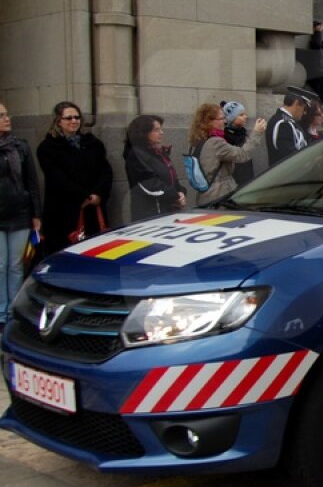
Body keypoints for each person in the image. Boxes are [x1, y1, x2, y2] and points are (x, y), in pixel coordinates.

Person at [36, 102, 112, 256]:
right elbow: (56, 178)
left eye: (77, 117)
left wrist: (98, 194)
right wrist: (84, 195)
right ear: (58, 121)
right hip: (63, 210)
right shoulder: (47, 147)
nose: (74, 121)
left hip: (93, 208)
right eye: (68, 118)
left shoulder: (93, 144)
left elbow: (105, 171)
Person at [0, 102, 41, 325]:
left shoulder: (20, 146)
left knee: (16, 264)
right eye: (1, 116)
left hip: (20, 213)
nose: (7, 119)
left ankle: (13, 309)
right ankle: (1, 311)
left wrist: (36, 214)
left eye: (7, 114)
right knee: (0, 264)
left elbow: (32, 183)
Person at [188, 103, 267, 205]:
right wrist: (256, 132)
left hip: (206, 194)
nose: (224, 121)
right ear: (210, 122)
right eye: (221, 119)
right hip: (220, 195)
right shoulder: (215, 142)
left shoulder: (199, 139)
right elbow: (242, 155)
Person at [124, 114, 185, 221]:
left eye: (161, 129)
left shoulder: (159, 153)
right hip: (151, 214)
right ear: (144, 133)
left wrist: (181, 193)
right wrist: (175, 195)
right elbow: (149, 184)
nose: (161, 133)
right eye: (156, 130)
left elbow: (172, 178)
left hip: (168, 210)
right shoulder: (136, 155)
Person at [266, 86, 314, 166]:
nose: (305, 112)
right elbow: (289, 157)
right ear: (296, 103)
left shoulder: (288, 121)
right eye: (304, 108)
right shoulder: (282, 124)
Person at [221, 101, 256, 188]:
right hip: (232, 183)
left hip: (246, 178)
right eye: (241, 115)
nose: (246, 117)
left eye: (245, 114)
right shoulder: (224, 137)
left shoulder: (242, 133)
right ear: (231, 118)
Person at [305, 20, 323, 99]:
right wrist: (318, 32)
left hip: (320, 72)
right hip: (317, 72)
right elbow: (316, 45)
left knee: (319, 95)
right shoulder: (316, 39)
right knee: (317, 95)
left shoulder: (319, 40)